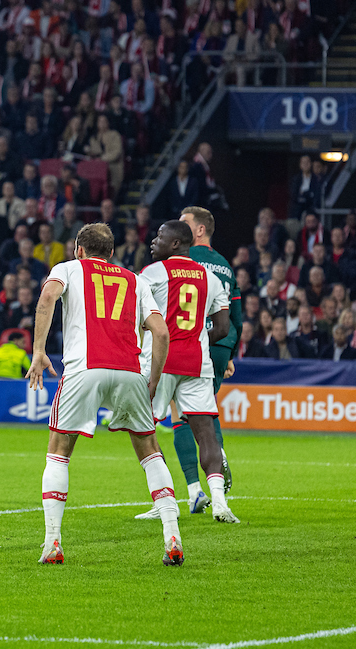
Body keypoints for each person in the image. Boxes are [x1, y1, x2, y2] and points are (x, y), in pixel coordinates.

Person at [27, 223, 183, 566]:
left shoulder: (67, 268)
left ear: (78, 250)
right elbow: (160, 332)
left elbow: (47, 297)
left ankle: (53, 542)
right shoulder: (136, 280)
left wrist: (39, 350)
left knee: (59, 448)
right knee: (149, 448)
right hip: (129, 371)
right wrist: (153, 379)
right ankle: (172, 535)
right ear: (112, 253)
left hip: (86, 367)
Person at [135, 220, 237, 523]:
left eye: (160, 237)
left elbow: (136, 317)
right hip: (197, 360)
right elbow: (222, 327)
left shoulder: (152, 273)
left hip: (159, 361)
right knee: (205, 431)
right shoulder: (209, 277)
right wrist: (199, 339)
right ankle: (219, 501)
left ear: (177, 243)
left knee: (144, 430)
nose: (154, 242)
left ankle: (163, 499)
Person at [172, 207, 239, 497]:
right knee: (205, 407)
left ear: (199, 230)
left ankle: (194, 489)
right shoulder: (224, 264)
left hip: (192, 340)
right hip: (222, 341)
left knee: (181, 413)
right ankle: (217, 468)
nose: (180, 227)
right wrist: (229, 353)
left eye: (185, 223)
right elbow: (235, 315)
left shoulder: (184, 260)